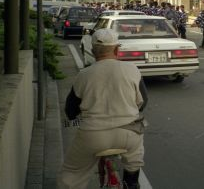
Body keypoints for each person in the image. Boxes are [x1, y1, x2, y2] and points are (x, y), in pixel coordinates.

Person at [58, 29, 148, 189]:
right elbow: (143, 102)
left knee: (72, 172)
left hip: (93, 135)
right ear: (117, 49)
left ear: (93, 51)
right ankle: (131, 183)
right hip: (129, 134)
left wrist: (77, 117)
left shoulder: (84, 75)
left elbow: (70, 111)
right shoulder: (132, 69)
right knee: (133, 163)